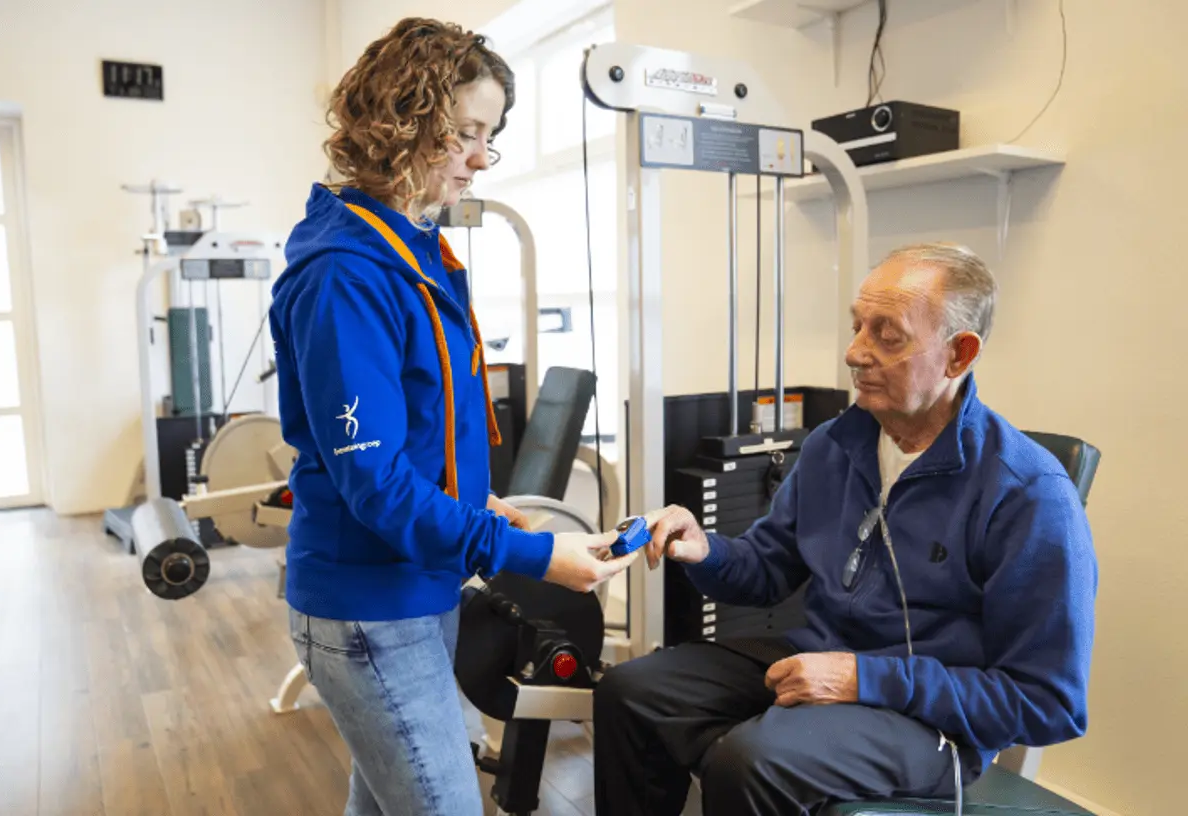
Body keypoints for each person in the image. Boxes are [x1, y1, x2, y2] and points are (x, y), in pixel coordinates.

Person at [268, 18, 637, 816]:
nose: (480, 157)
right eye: (465, 132)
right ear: (401, 121)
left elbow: (415, 436)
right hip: (370, 606)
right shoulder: (345, 275)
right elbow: (374, 483)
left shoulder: (411, 249)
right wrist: (532, 556)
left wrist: (477, 506)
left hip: (418, 587)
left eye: (489, 137)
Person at [592, 243, 1099, 815]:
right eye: (858, 327)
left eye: (888, 335)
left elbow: (1049, 702)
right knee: (631, 693)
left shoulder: (1027, 492)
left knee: (752, 761)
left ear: (959, 354)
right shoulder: (834, 445)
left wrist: (865, 678)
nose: (855, 352)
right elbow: (764, 570)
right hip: (819, 658)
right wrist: (705, 550)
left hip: (931, 721)